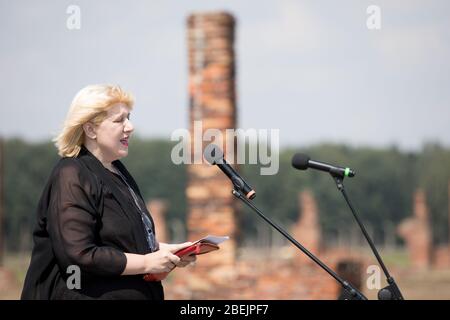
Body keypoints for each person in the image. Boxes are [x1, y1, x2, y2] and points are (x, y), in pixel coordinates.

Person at [21, 84, 196, 300]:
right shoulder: (72, 174)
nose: (130, 126)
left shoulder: (117, 171)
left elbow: (118, 242)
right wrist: (147, 262)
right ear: (90, 129)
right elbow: (79, 255)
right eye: (119, 120)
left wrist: (166, 252)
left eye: (129, 117)